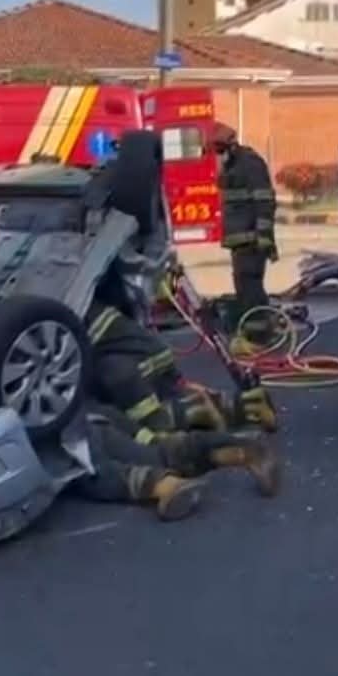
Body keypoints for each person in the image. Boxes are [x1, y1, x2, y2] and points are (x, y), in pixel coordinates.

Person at [85, 299, 278, 435]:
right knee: (170, 399)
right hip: (149, 354)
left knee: (146, 422)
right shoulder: (80, 299)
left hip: (131, 367)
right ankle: (250, 404)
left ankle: (196, 413)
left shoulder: (70, 307)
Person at [77, 401, 281, 521]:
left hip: (60, 436)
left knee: (86, 471)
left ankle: (163, 485)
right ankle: (238, 451)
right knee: (157, 456)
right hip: (87, 417)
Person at [213, 124, 278, 334]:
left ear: (230, 146)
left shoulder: (249, 164)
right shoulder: (233, 166)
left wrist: (264, 238)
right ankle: (253, 330)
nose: (217, 156)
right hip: (241, 241)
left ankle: (259, 333)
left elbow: (264, 201)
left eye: (219, 150)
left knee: (250, 286)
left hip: (252, 239)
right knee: (244, 286)